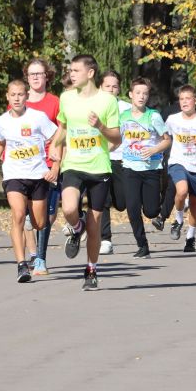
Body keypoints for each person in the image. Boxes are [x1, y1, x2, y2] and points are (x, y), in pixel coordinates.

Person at [51, 54, 122, 290]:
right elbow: (63, 127)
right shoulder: (66, 98)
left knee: (96, 224)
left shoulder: (107, 101)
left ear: (90, 73)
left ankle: (91, 270)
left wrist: (100, 126)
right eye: (70, 70)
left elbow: (117, 138)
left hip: (99, 167)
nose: (71, 74)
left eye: (76, 70)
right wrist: (54, 144)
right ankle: (76, 226)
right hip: (73, 164)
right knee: (70, 208)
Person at [0, 80, 60, 283]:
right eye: (13, 95)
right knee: (17, 214)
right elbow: (0, 143)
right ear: (7, 97)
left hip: (38, 176)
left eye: (20, 94)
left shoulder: (38, 118)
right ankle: (21, 265)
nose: (17, 98)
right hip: (14, 175)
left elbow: (57, 138)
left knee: (39, 223)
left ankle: (31, 222)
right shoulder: (1, 121)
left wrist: (55, 167)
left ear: (26, 96)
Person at [118, 77, 171, 259]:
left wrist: (154, 149)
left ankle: (162, 207)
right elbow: (117, 139)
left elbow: (167, 140)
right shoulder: (123, 117)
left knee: (150, 211)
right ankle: (142, 245)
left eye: (145, 94)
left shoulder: (153, 116)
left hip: (151, 168)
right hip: (130, 167)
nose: (141, 97)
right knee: (132, 208)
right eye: (138, 93)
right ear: (131, 95)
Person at [164, 85, 196, 251]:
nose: (184, 102)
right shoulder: (172, 119)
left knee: (194, 202)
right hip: (178, 161)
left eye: (188, 99)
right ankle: (178, 219)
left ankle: (190, 237)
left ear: (195, 101)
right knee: (181, 191)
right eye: (181, 99)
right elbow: (164, 137)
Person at [24, 58, 61, 273]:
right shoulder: (19, 100)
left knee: (47, 215)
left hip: (48, 163)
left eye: (39, 73)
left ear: (47, 76)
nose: (36, 77)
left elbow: (61, 134)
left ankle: (40, 258)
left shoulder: (55, 102)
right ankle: (34, 255)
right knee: (29, 216)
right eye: (32, 74)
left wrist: (57, 164)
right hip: (24, 164)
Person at [99, 71, 127, 255]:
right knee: (103, 200)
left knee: (121, 202)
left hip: (122, 158)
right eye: (107, 85)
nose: (111, 89)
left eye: (114, 86)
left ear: (119, 89)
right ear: (100, 87)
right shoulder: (93, 106)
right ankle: (105, 239)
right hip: (100, 159)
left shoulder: (126, 108)